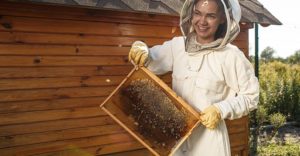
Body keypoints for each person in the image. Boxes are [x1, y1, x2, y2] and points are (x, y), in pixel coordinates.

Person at [128, 0, 259, 155]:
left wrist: (220, 110)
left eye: (210, 16)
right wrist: (141, 49)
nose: (202, 21)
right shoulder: (177, 46)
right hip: (176, 136)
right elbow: (150, 61)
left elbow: (251, 96)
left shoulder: (231, 56)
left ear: (223, 18)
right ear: (191, 13)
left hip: (210, 143)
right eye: (198, 13)